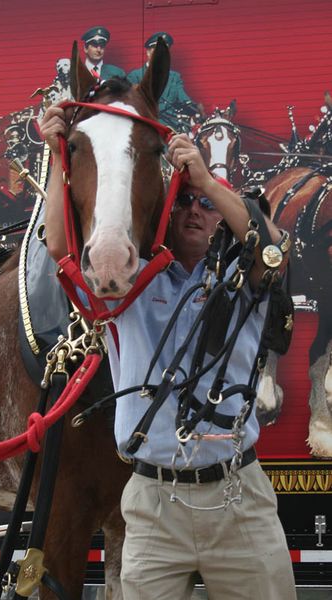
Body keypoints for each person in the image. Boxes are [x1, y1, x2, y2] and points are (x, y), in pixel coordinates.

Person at [39, 103, 296, 600]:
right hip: (152, 503)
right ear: (165, 212)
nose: (195, 211)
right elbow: (59, 249)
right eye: (184, 203)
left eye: (204, 204)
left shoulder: (244, 282)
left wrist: (204, 177)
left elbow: (272, 248)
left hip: (238, 497)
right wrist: (56, 158)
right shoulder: (125, 294)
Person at [128, 32, 201, 130]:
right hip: (145, 127)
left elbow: (184, 100)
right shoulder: (135, 76)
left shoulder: (175, 77)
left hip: (172, 126)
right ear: (148, 52)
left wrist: (196, 110)